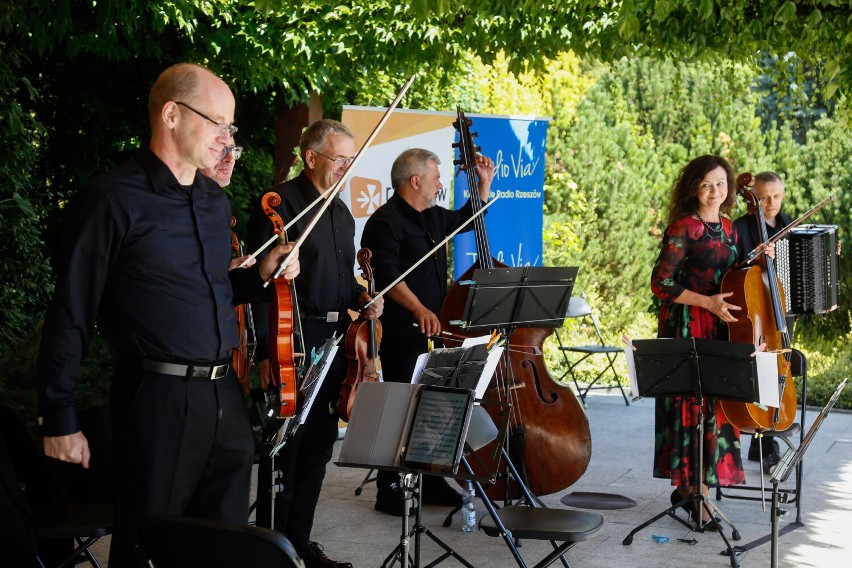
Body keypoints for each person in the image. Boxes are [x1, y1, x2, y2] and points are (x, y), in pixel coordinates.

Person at [37, 63, 300, 567]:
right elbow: (71, 309)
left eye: (232, 127)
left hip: (225, 396)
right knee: (147, 547)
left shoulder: (211, 199)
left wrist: (261, 275)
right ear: (172, 115)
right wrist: (60, 417)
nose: (227, 138)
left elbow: (211, 290)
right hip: (156, 399)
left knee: (222, 548)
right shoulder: (111, 199)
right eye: (218, 123)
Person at [246, 118, 382, 568]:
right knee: (287, 451)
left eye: (351, 160)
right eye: (341, 160)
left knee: (319, 449)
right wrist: (267, 350)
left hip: (333, 345)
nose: (347, 168)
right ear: (311, 157)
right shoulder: (281, 205)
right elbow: (259, 288)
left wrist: (364, 297)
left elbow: (344, 285)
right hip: (293, 343)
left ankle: (299, 542)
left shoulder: (341, 213)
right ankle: (274, 547)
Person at [361, 147, 494, 516]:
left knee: (434, 406)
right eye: (436, 178)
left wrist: (483, 186)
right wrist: (418, 308)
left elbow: (470, 220)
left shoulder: (433, 216)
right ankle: (388, 489)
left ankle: (431, 478)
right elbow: (387, 275)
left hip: (435, 327)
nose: (440, 184)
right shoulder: (385, 222)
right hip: (403, 329)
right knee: (400, 405)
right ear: (415, 180)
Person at [650, 154, 746, 530]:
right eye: (707, 184)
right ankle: (695, 492)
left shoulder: (729, 227)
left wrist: (758, 259)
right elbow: (661, 284)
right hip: (688, 325)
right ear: (694, 187)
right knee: (692, 411)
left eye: (721, 183)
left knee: (716, 412)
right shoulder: (683, 227)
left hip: (721, 326)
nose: (714, 190)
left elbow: (731, 274)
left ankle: (696, 490)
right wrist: (706, 302)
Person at [733, 171, 792, 472]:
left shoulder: (787, 224)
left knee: (782, 372)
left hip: (780, 310)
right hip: (756, 311)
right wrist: (754, 258)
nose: (771, 203)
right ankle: (766, 441)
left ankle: (766, 439)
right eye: (764, 196)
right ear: (752, 197)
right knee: (761, 376)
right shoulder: (741, 228)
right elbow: (734, 269)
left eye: (777, 196)